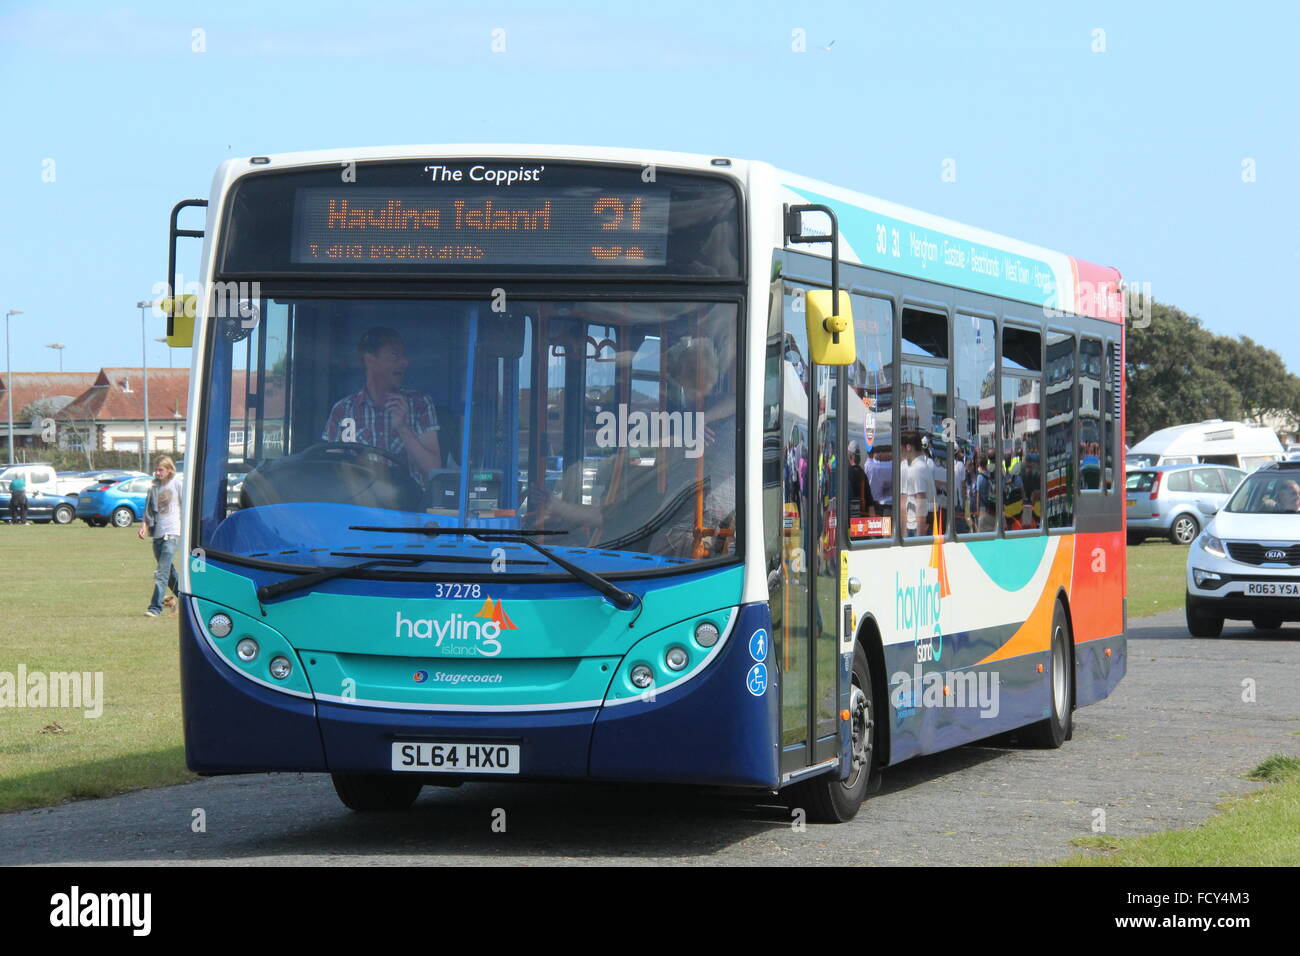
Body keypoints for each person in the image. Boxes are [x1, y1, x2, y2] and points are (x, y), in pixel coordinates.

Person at [322, 326, 442, 484]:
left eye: (404, 356)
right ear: (370, 361)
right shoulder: (343, 410)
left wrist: (403, 428)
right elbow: (331, 474)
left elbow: (434, 473)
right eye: (394, 355)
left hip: (408, 504)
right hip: (358, 504)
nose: (405, 362)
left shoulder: (420, 404)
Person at [140, 456, 183, 617]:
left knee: (161, 572)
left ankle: (155, 608)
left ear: (170, 469)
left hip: (173, 533)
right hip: (157, 534)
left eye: (161, 470)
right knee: (169, 572)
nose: (157, 473)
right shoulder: (154, 487)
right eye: (156, 469)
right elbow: (148, 510)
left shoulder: (177, 484)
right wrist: (144, 526)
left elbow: (187, 506)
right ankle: (190, 600)